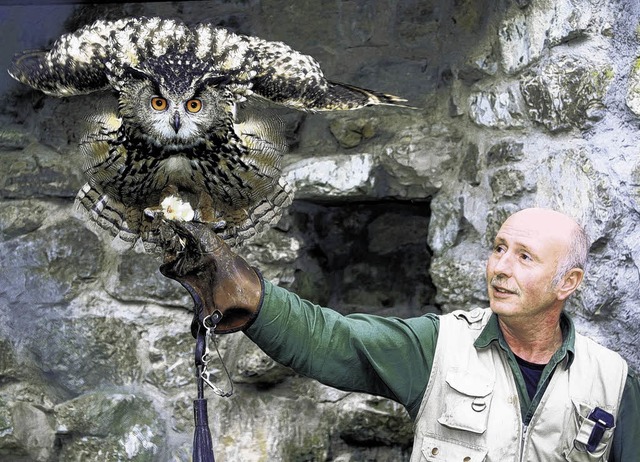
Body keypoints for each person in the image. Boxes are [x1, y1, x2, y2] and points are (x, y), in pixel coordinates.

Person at [160, 207, 640, 461]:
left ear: (568, 283)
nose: (500, 268)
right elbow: (334, 338)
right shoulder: (441, 346)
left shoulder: (613, 381)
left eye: (524, 257)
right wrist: (253, 296)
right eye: (498, 248)